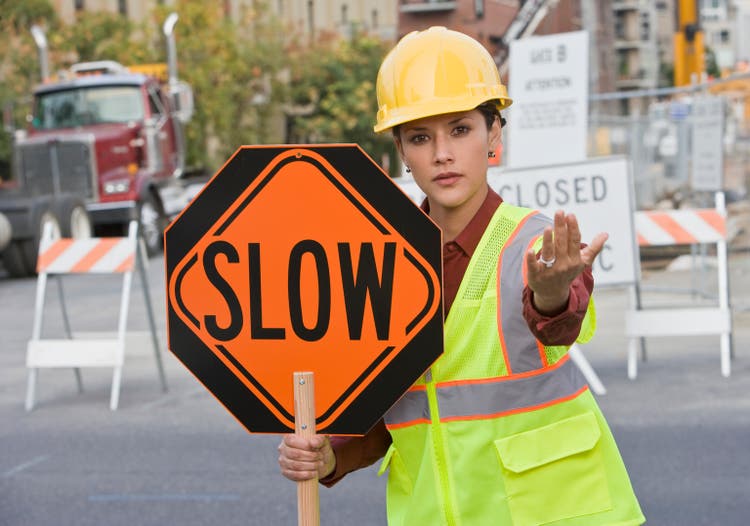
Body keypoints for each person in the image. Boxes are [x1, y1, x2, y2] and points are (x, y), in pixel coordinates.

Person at [278, 26, 645, 525]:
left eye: (460, 129)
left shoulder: (533, 244)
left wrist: (552, 293)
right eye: (420, 137)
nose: (442, 153)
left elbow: (558, 321)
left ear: (494, 134)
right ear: (401, 152)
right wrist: (332, 456)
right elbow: (398, 410)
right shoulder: (382, 263)